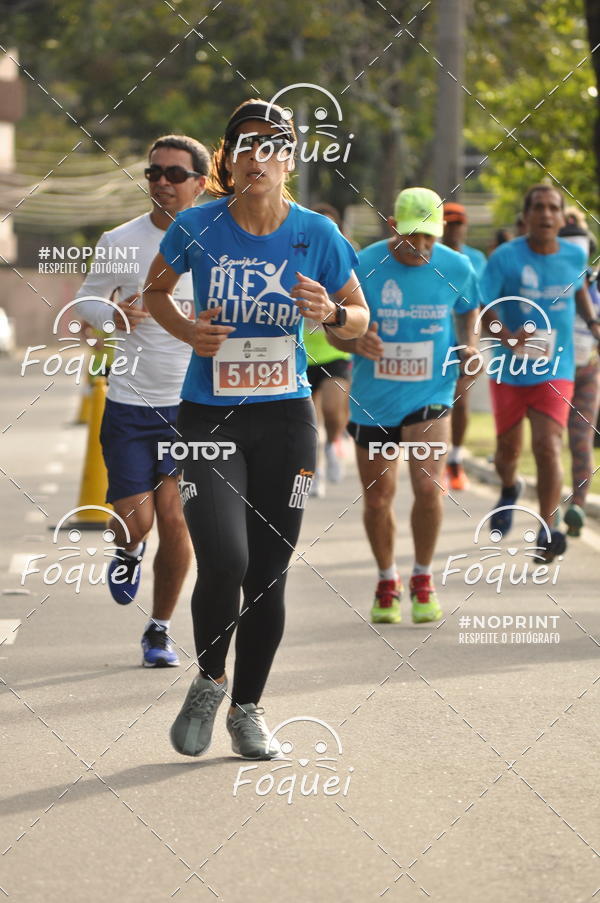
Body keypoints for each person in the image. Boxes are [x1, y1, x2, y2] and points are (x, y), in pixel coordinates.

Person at [143, 99, 369, 759]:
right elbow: (156, 292)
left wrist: (330, 311)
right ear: (229, 159)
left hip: (285, 418)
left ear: (290, 159)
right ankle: (210, 680)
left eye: (273, 145)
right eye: (246, 145)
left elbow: (357, 319)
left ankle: (248, 710)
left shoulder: (317, 234)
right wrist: (191, 332)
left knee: (268, 572)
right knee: (226, 558)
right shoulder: (197, 225)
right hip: (210, 414)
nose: (258, 157)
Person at [74, 134, 209, 667]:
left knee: (175, 517)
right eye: (154, 173)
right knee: (138, 521)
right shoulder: (120, 240)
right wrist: (114, 318)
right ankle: (127, 549)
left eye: (175, 175)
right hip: (131, 403)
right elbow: (86, 305)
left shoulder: (218, 241)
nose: (162, 183)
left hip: (193, 405)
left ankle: (159, 629)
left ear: (200, 183)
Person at [327, 187, 480, 625]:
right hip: (374, 400)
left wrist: (468, 346)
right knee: (379, 499)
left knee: (428, 487)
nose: (424, 247)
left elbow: (469, 309)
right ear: (394, 228)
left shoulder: (457, 266)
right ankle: (386, 578)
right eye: (415, 237)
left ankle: (423, 576)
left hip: (430, 394)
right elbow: (335, 328)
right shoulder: (365, 264)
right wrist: (355, 339)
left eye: (432, 237)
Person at [480, 184, 600, 561]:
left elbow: (579, 290)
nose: (546, 215)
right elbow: (484, 308)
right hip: (509, 368)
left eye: (553, 208)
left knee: (548, 446)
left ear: (563, 218)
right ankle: (511, 485)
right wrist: (507, 337)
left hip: (555, 367)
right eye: (539, 208)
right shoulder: (504, 258)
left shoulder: (573, 256)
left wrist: (594, 323)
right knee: (507, 453)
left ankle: (548, 529)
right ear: (526, 217)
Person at [305, 203, 353, 496]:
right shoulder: (295, 259)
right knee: (310, 420)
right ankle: (315, 470)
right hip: (301, 353)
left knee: (334, 412)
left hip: (335, 351)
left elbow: (358, 306)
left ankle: (335, 444)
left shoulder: (342, 265)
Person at [558, 217, 600, 535]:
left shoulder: (596, 285)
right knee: (550, 440)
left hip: (588, 370)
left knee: (582, 440)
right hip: (554, 371)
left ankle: (577, 507)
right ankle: (552, 507)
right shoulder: (552, 281)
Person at [442, 202, 487, 491]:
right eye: (449, 223)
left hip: (461, 337)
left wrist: (470, 344)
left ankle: (455, 460)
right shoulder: (430, 256)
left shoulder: (476, 259)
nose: (455, 229)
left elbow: (477, 304)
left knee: (460, 397)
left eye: (459, 223)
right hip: (429, 338)